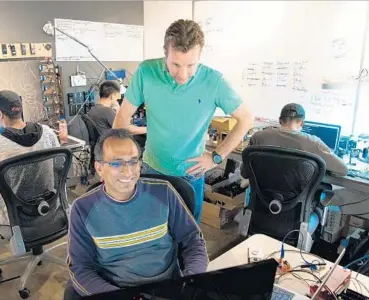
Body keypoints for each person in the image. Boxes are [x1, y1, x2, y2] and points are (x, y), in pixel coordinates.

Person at [113, 19, 253, 222]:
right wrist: (121, 161)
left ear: (200, 57)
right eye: (175, 65)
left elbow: (246, 118)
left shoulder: (214, 81)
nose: (182, 74)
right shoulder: (146, 72)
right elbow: (122, 118)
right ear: (165, 54)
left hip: (191, 174)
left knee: (188, 236)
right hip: (152, 169)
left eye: (190, 65)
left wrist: (216, 157)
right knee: (151, 231)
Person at [64, 129, 208, 299]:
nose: (128, 171)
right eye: (117, 163)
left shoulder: (164, 193)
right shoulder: (83, 209)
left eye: (133, 162)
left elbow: (192, 240)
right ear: (99, 168)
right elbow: (81, 268)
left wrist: (191, 281)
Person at [0, 90, 59, 266]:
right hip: (48, 210)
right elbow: (59, 166)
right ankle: (36, 243)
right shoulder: (48, 133)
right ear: (19, 110)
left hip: (17, 218)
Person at [241, 103, 348, 178]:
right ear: (302, 123)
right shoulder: (313, 142)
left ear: (279, 120)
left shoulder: (258, 137)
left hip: (262, 199)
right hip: (296, 205)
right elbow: (342, 170)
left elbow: (244, 172)